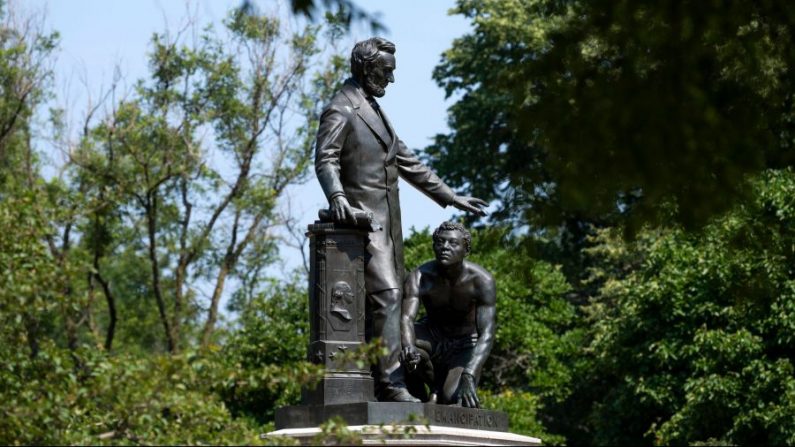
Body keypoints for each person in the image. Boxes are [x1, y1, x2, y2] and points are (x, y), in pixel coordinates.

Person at [314, 37, 487, 402]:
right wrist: (338, 198)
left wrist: (450, 196)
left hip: (389, 229)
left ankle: (382, 377)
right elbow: (326, 159)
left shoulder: (372, 108)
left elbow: (407, 161)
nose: (391, 79)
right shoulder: (342, 109)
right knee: (391, 297)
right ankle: (391, 384)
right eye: (386, 71)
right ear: (366, 67)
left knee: (382, 303)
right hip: (363, 225)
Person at [400, 221, 496, 407]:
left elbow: (487, 333)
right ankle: (429, 388)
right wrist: (408, 347)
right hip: (433, 338)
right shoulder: (420, 276)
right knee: (399, 340)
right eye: (440, 242)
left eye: (453, 243)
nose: (445, 247)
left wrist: (470, 373)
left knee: (453, 398)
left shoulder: (482, 281)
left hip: (465, 344)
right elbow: (406, 318)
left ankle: (441, 390)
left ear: (465, 250)